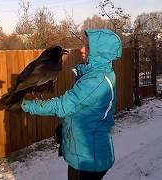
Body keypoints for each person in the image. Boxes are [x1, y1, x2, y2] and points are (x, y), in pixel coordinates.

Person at [20, 29, 122, 180]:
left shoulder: (96, 81)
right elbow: (83, 108)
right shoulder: (97, 73)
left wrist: (25, 105)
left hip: (89, 158)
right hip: (86, 152)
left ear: (101, 53)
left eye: (87, 47)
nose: (81, 50)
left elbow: (62, 106)